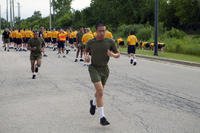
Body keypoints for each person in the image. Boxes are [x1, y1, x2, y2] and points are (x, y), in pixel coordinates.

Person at [84, 22, 120, 126]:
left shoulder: (110, 41)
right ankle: (102, 117)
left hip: (105, 70)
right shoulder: (91, 42)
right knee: (100, 91)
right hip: (94, 68)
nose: (102, 33)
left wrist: (112, 54)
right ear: (96, 31)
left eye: (104, 30)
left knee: (99, 92)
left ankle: (93, 104)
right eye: (100, 31)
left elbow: (118, 55)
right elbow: (85, 52)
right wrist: (86, 57)